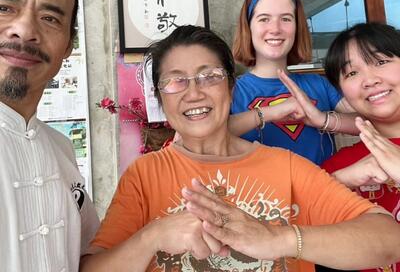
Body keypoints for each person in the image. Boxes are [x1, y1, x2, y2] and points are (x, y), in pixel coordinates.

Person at [81, 25, 400, 272]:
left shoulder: (285, 166)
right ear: (160, 99)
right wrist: (151, 237)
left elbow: (388, 238)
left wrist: (279, 239)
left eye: (209, 76)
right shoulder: (145, 174)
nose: (194, 93)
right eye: (176, 81)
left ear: (231, 87)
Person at [0, 0, 99, 272]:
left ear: (69, 45)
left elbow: (87, 257)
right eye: (4, 8)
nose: (24, 30)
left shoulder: (61, 148)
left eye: (50, 18)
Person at [228, 0, 358, 165]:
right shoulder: (231, 91)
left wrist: (322, 119)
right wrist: (269, 113)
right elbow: (206, 137)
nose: (275, 29)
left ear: (297, 28)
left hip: (324, 183)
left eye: (286, 19)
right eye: (264, 19)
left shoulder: (319, 84)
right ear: (248, 28)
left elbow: (370, 122)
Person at [320, 22, 400, 272]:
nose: (370, 80)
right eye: (352, 73)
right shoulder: (339, 167)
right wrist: (341, 181)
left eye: (380, 61)